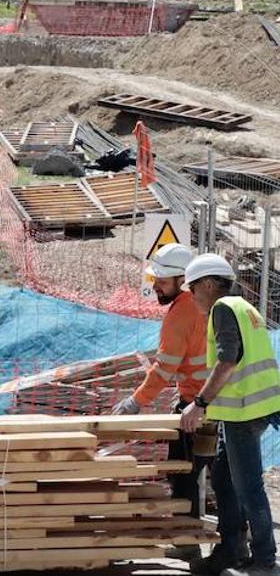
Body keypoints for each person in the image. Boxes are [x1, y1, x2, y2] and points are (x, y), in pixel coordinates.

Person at [180, 254, 280, 576]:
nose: (192, 295)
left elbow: (228, 360)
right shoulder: (244, 307)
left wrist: (200, 403)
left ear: (208, 284)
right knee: (224, 477)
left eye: (193, 287)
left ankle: (264, 557)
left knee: (248, 485)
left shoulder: (222, 309)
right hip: (254, 407)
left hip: (243, 411)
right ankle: (232, 548)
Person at [109, 244, 209, 558]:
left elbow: (164, 368)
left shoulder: (181, 312)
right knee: (226, 478)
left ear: (183, 279)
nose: (156, 287)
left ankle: (186, 543)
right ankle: (237, 543)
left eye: (162, 281)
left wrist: (135, 402)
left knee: (182, 474)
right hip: (218, 402)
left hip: (197, 405)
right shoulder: (208, 305)